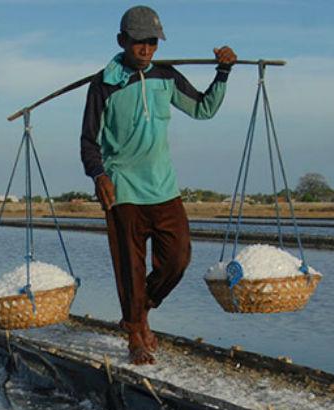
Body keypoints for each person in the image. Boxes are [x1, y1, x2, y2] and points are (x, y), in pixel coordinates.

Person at [80, 5, 236, 365]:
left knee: (178, 259)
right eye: (139, 43)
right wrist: (99, 175)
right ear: (122, 41)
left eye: (152, 42)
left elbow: (202, 109)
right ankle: (136, 333)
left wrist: (223, 72)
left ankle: (141, 308)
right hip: (122, 189)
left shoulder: (167, 76)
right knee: (129, 267)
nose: (147, 50)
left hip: (163, 188)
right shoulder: (104, 84)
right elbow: (89, 141)